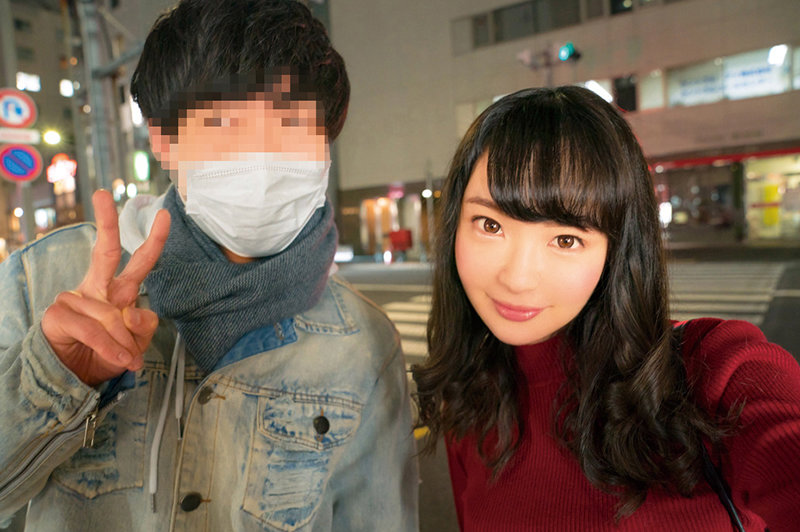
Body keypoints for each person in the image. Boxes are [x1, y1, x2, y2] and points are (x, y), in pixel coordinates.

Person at [0, 1, 418, 530]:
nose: (262, 161)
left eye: (291, 125)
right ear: (162, 140)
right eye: (225, 124)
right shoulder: (43, 281)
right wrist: (52, 379)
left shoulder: (364, 342)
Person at [412, 86, 800, 531]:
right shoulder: (470, 400)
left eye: (566, 239)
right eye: (490, 224)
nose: (517, 278)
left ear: (616, 249)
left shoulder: (712, 374)